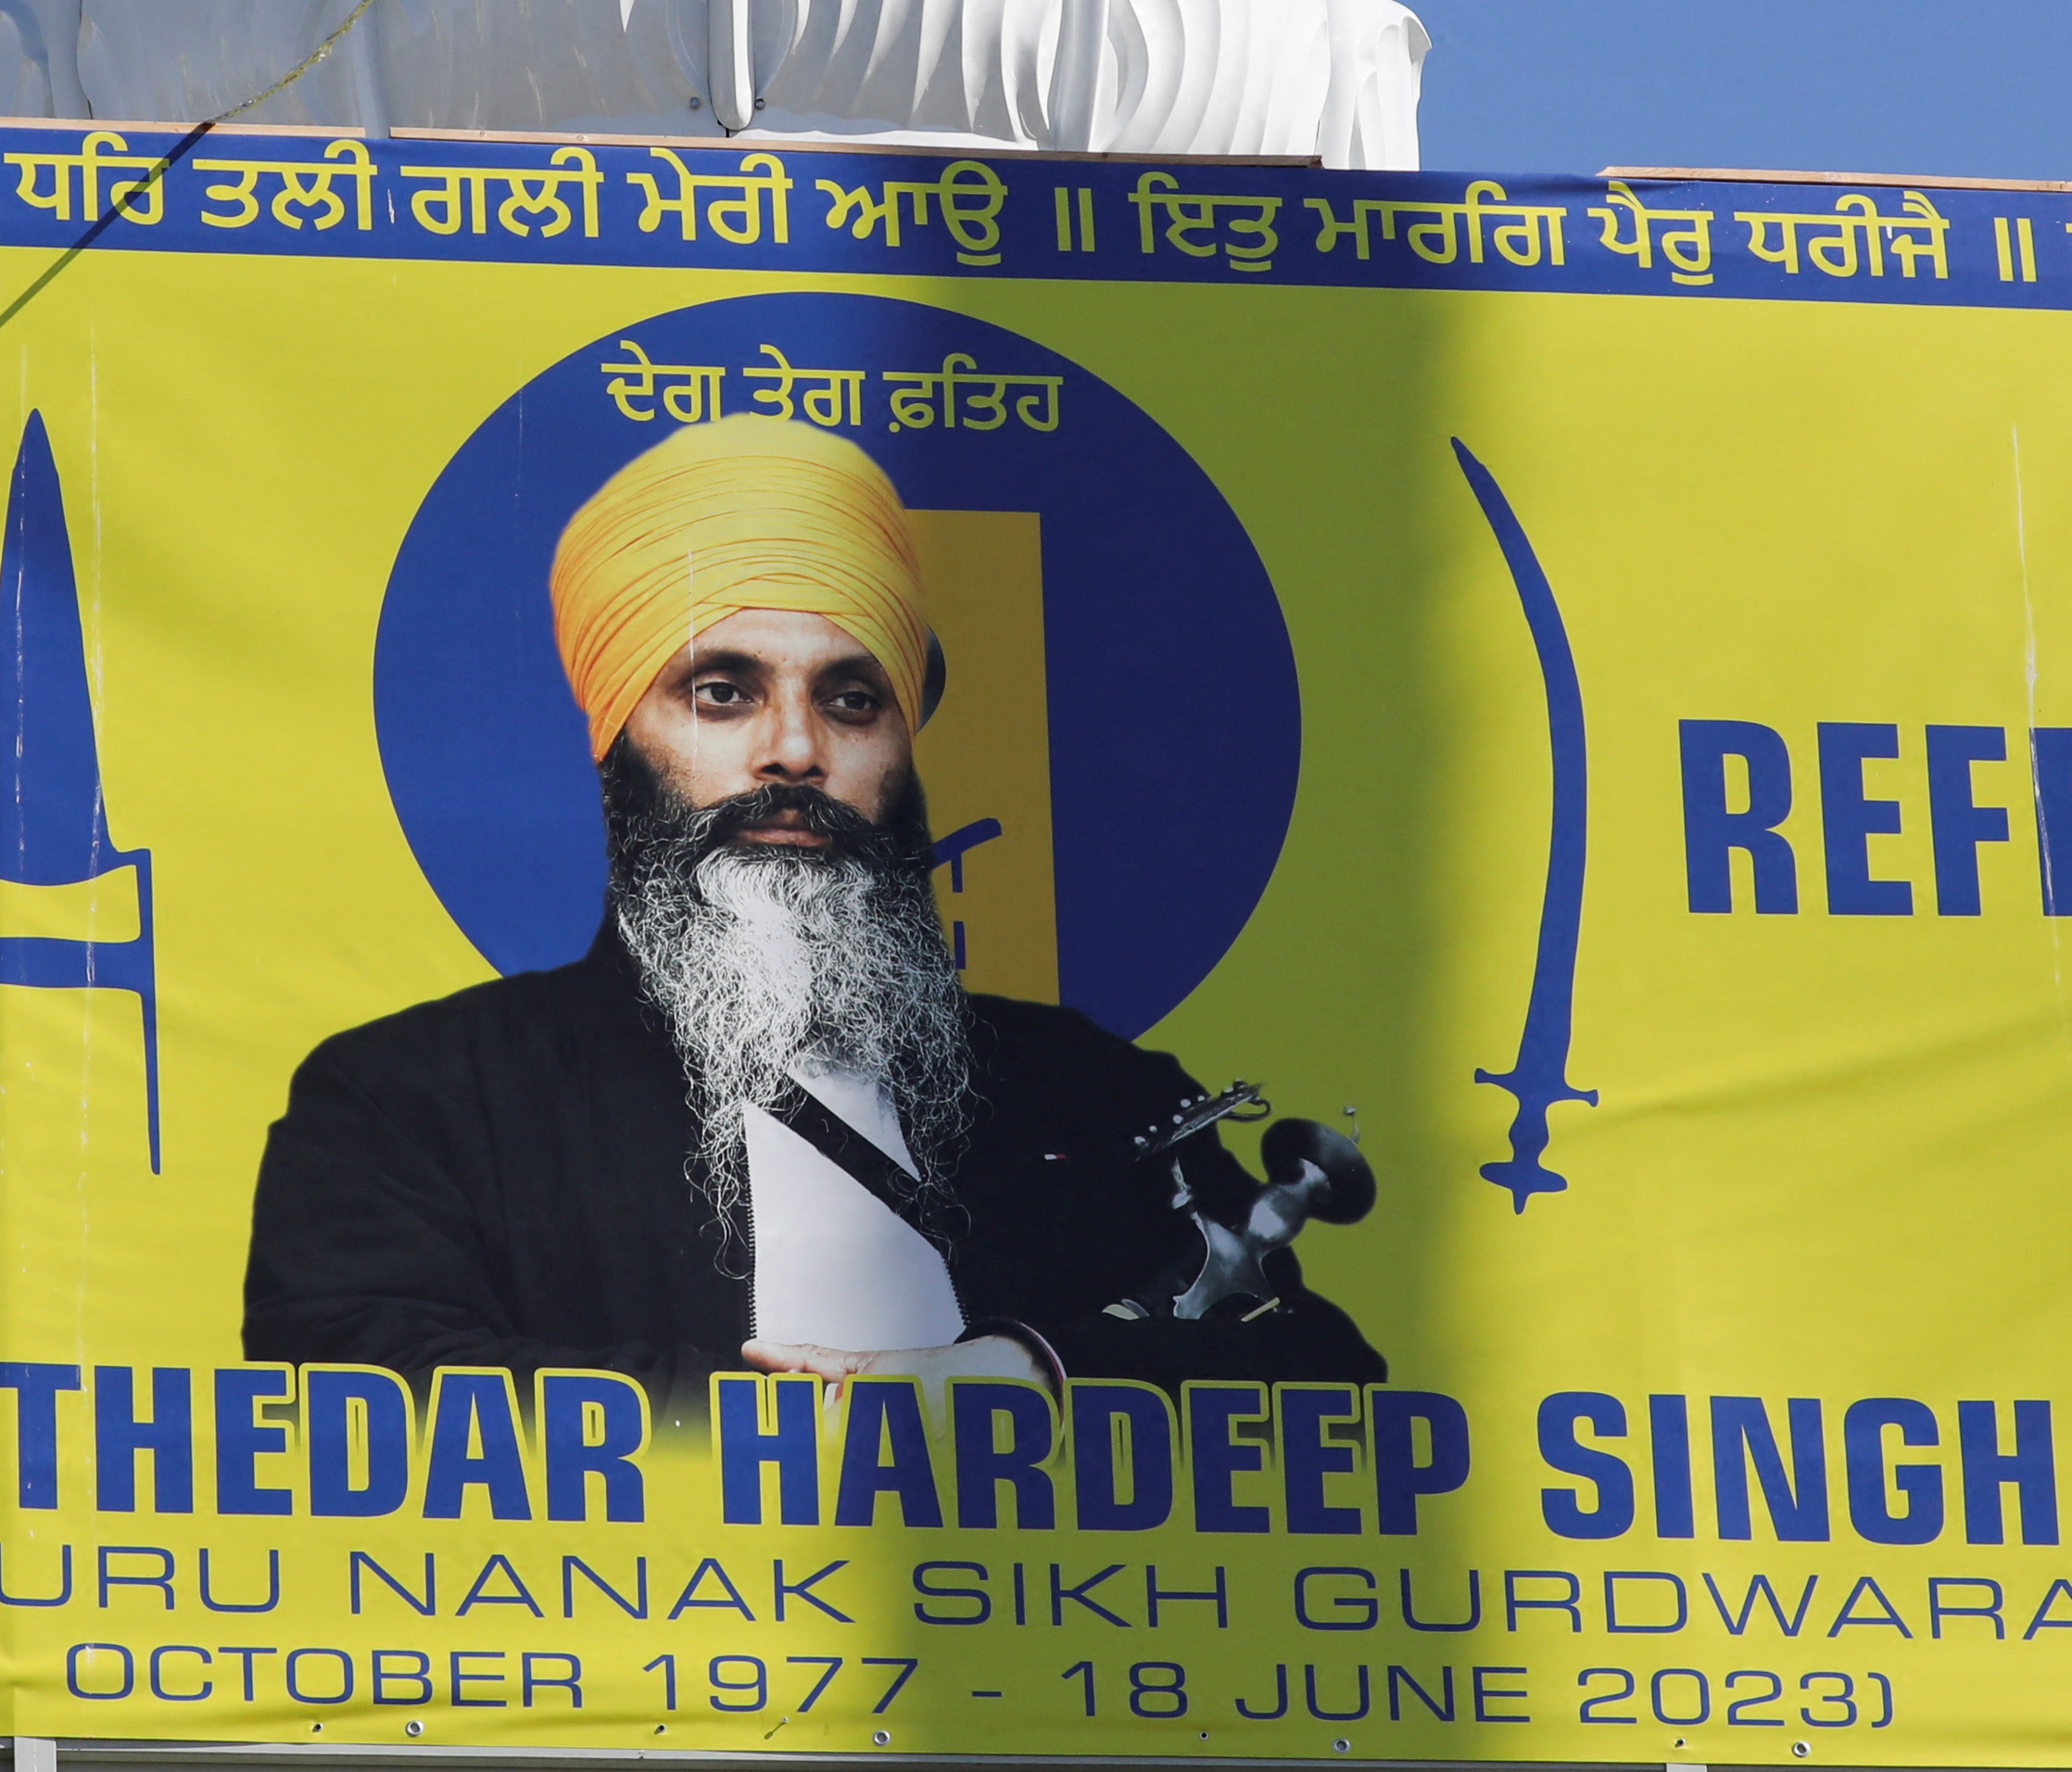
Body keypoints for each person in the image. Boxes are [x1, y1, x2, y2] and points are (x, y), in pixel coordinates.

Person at [246, 413, 1379, 1404]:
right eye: (721, 691)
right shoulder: (415, 1099)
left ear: (903, 746)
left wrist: (1034, 1372)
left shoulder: (1086, 1087)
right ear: (616, 739)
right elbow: (349, 1370)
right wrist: (820, 1430)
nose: (794, 750)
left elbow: (1328, 1375)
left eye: (851, 698)